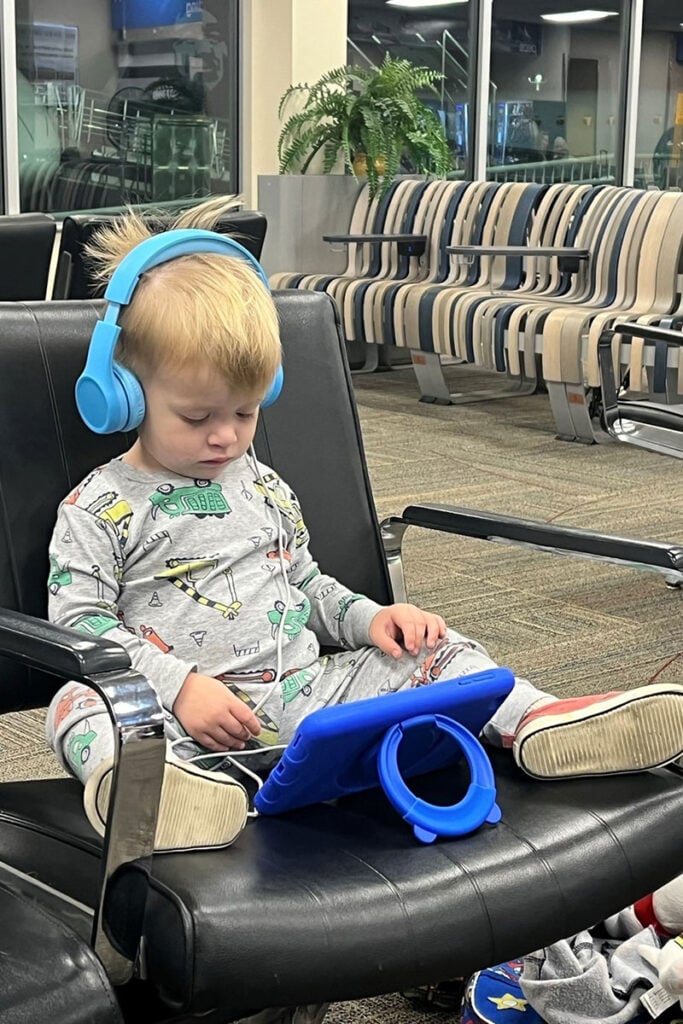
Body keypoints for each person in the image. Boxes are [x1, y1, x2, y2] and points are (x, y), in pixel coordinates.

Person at [45, 197, 683, 853]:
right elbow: (80, 627)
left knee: (433, 652)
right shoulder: (98, 506)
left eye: (244, 412)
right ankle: (158, 795)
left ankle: (535, 723)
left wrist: (370, 620)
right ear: (122, 389)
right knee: (79, 706)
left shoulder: (262, 487)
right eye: (196, 416)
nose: (225, 436)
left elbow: (305, 588)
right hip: (182, 724)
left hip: (306, 705)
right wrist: (180, 691)